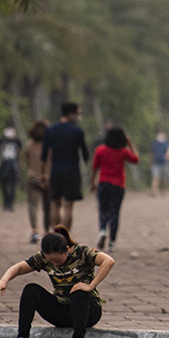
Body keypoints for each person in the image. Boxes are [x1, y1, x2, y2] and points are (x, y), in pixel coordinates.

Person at [0, 225, 115, 338]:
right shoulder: (43, 257)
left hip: (88, 311)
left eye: (58, 260)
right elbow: (19, 268)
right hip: (62, 311)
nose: (55, 264)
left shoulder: (82, 252)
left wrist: (90, 285)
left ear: (67, 250)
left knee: (79, 290)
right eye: (51, 261)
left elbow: (108, 261)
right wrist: (4, 280)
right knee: (30, 289)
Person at [41, 102, 89, 231]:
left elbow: (44, 155)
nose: (79, 116)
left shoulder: (50, 130)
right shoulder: (77, 131)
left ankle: (55, 234)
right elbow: (85, 155)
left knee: (54, 203)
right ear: (71, 113)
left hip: (55, 170)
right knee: (68, 205)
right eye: (78, 113)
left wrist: (43, 173)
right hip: (72, 170)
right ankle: (65, 237)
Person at [91, 127, 139, 251]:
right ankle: (112, 242)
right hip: (118, 185)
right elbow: (135, 159)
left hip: (103, 183)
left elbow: (95, 167)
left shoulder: (100, 150)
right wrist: (130, 143)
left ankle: (102, 230)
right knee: (115, 213)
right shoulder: (123, 152)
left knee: (103, 209)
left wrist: (92, 182)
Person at [24, 120, 51, 243]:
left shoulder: (29, 145)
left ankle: (35, 231)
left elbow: (26, 160)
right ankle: (47, 231)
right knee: (48, 207)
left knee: (33, 206)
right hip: (48, 178)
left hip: (32, 177)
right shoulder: (51, 145)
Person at [0, 125, 22, 212]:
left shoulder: (17, 141)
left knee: (13, 186)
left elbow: (20, 153)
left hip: (14, 165)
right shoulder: (1, 140)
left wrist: (20, 165)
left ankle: (10, 204)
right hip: (4, 165)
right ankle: (5, 203)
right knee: (4, 185)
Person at [150, 128, 169, 197]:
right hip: (156, 163)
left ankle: (163, 190)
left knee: (164, 179)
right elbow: (152, 154)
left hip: (165, 163)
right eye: (159, 135)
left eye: (161, 135)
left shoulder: (167, 143)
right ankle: (153, 191)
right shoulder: (154, 143)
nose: (160, 136)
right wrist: (151, 163)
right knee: (155, 177)